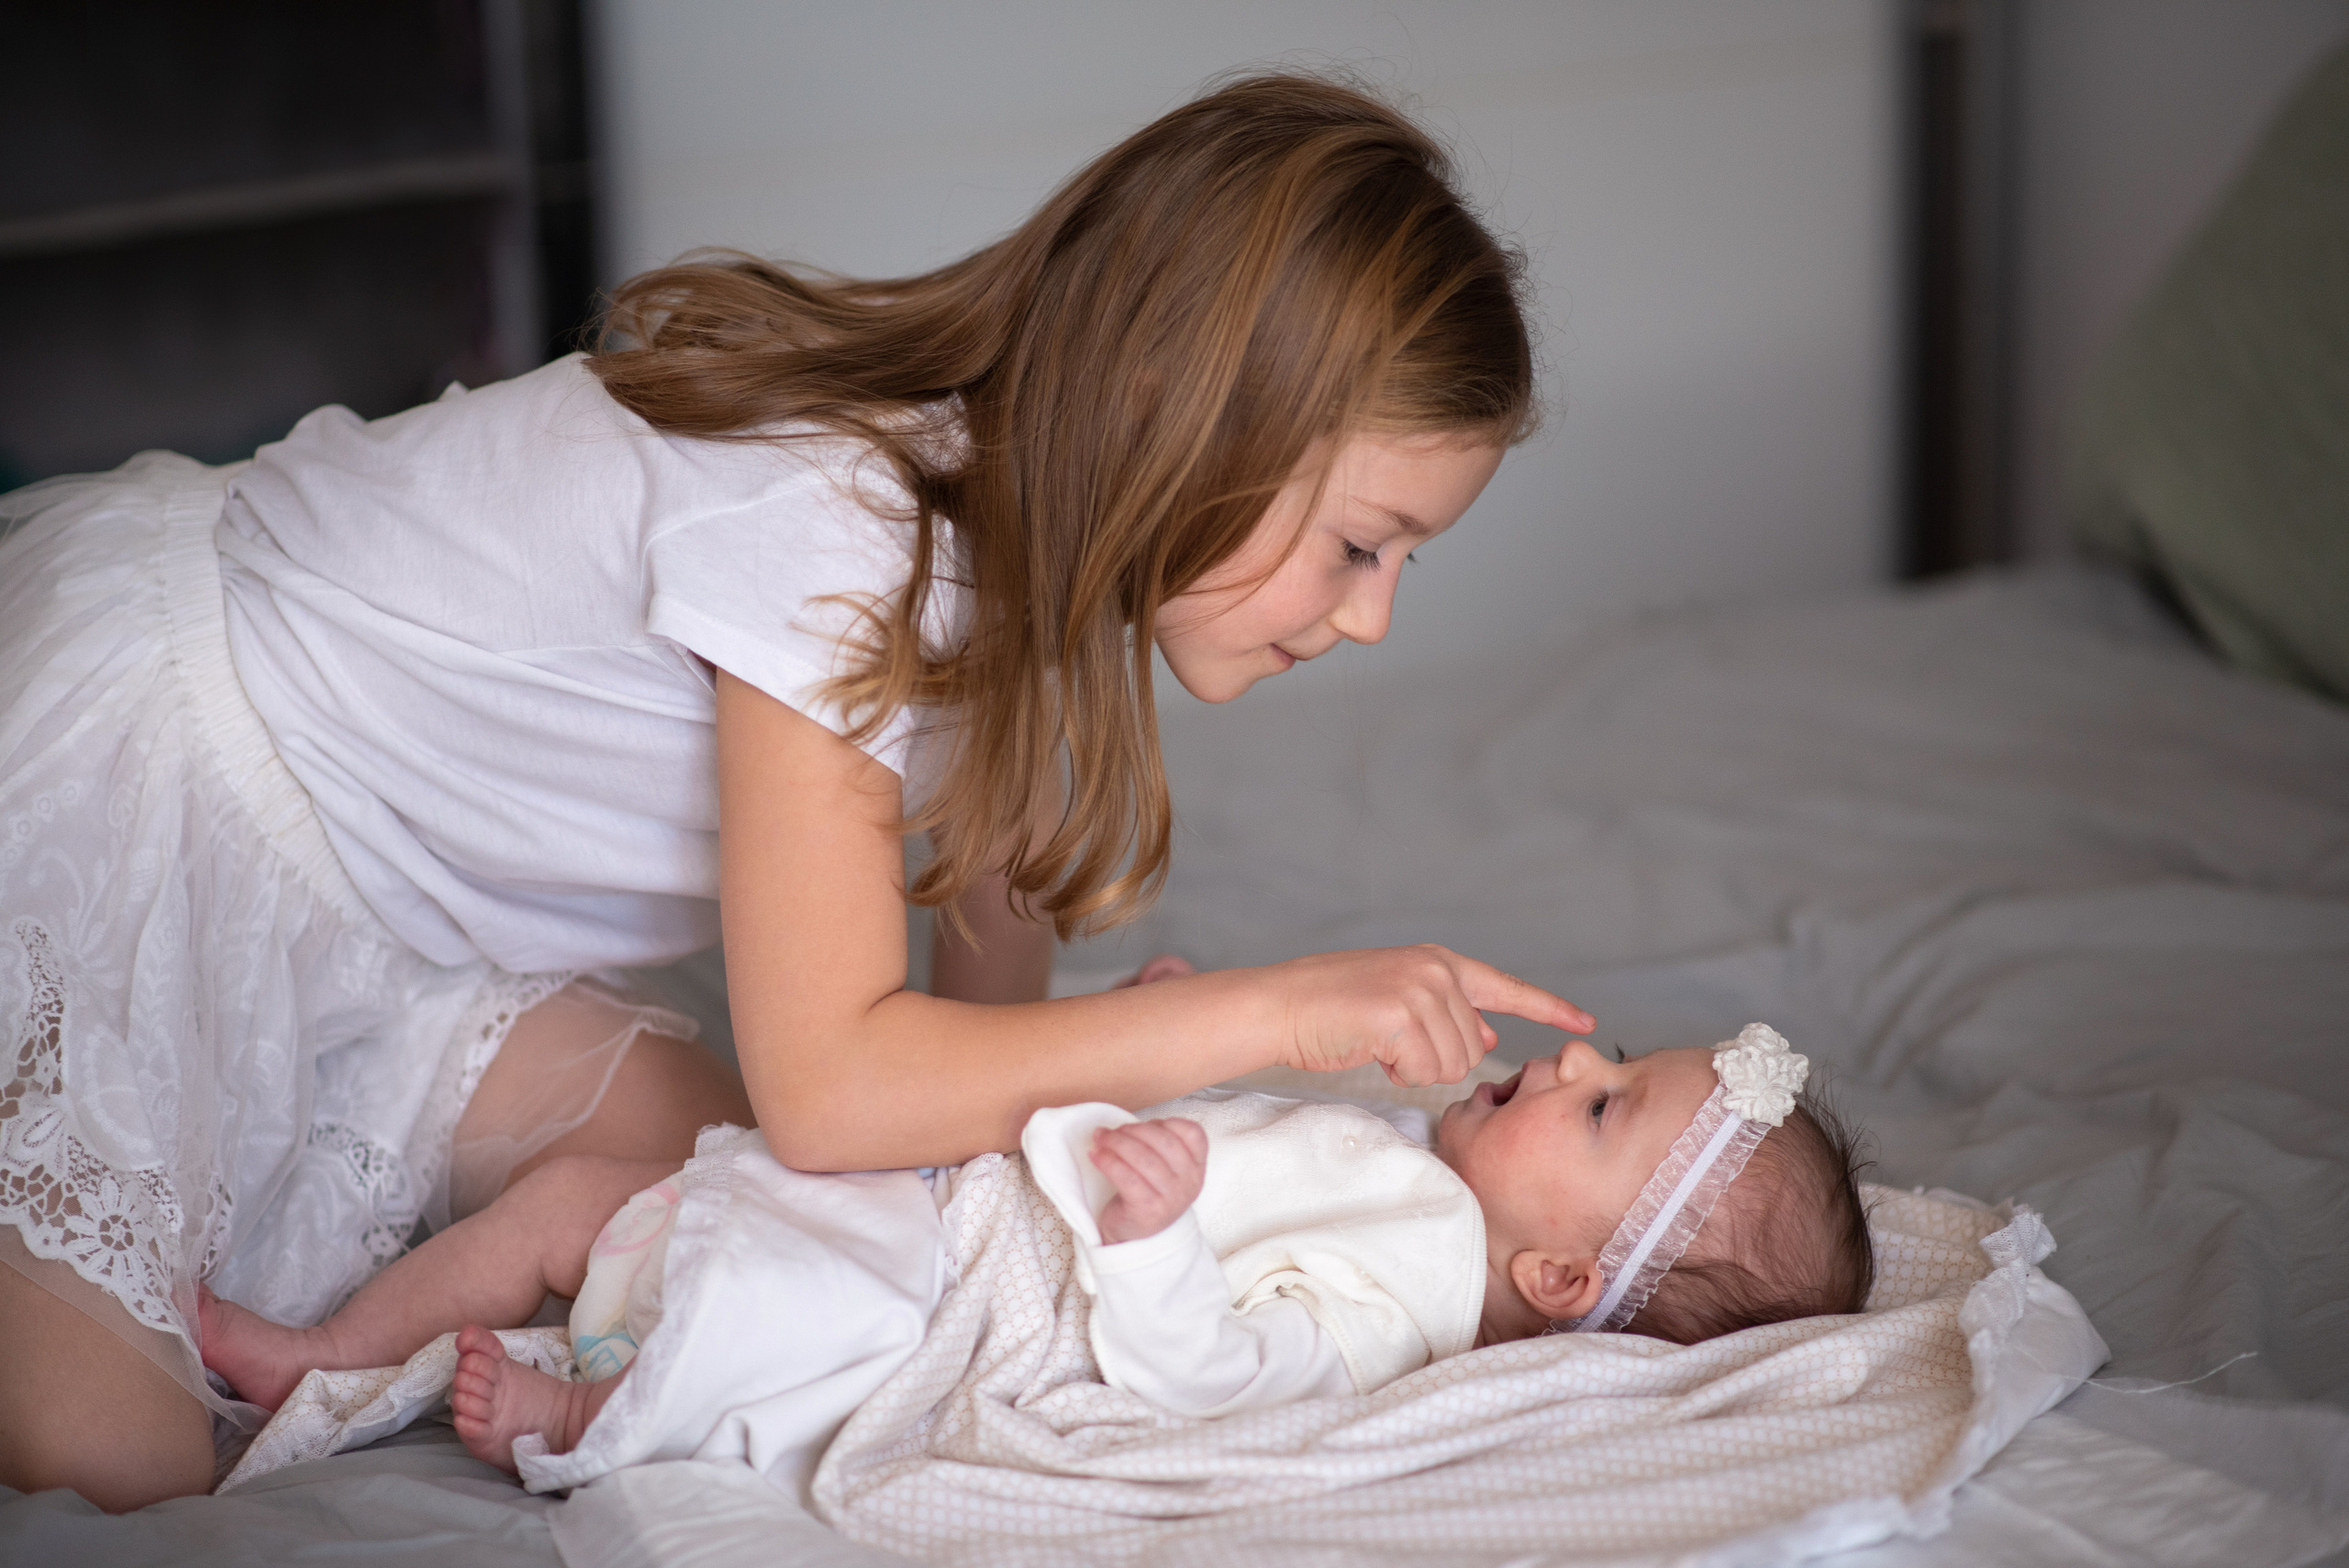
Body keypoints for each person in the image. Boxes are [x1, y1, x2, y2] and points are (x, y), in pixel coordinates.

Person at [0, 72, 1597, 1508]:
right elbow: (842, 1087)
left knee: (776, 1211)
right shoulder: (839, 522)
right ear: (1201, 425)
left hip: (410, 912)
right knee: (124, 1469)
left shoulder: (1045, 606)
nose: (1375, 613)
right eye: (1364, 544)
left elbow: (958, 1108)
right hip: (180, 773)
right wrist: (1276, 1011)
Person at [195, 1026, 1873, 1495]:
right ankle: (325, 1349)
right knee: (582, 1190)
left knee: (789, 1307)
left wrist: (1144, 1249)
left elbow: (1228, 1372)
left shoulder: (1421, 1283)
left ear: (1567, 1282)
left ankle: (595, 1410)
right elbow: (1226, 1155)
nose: (1564, 1066)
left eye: (1599, 1112)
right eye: (1604, 1064)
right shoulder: (1413, 1170)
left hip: (960, 1275)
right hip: (950, 1190)